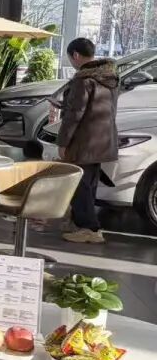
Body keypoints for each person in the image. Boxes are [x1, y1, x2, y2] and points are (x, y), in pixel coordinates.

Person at [57, 37, 119, 244]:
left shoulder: (83, 80)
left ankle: (90, 228)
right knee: (89, 185)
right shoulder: (110, 77)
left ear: (75, 55)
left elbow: (75, 114)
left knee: (79, 185)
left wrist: (63, 142)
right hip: (103, 139)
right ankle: (80, 223)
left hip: (83, 141)